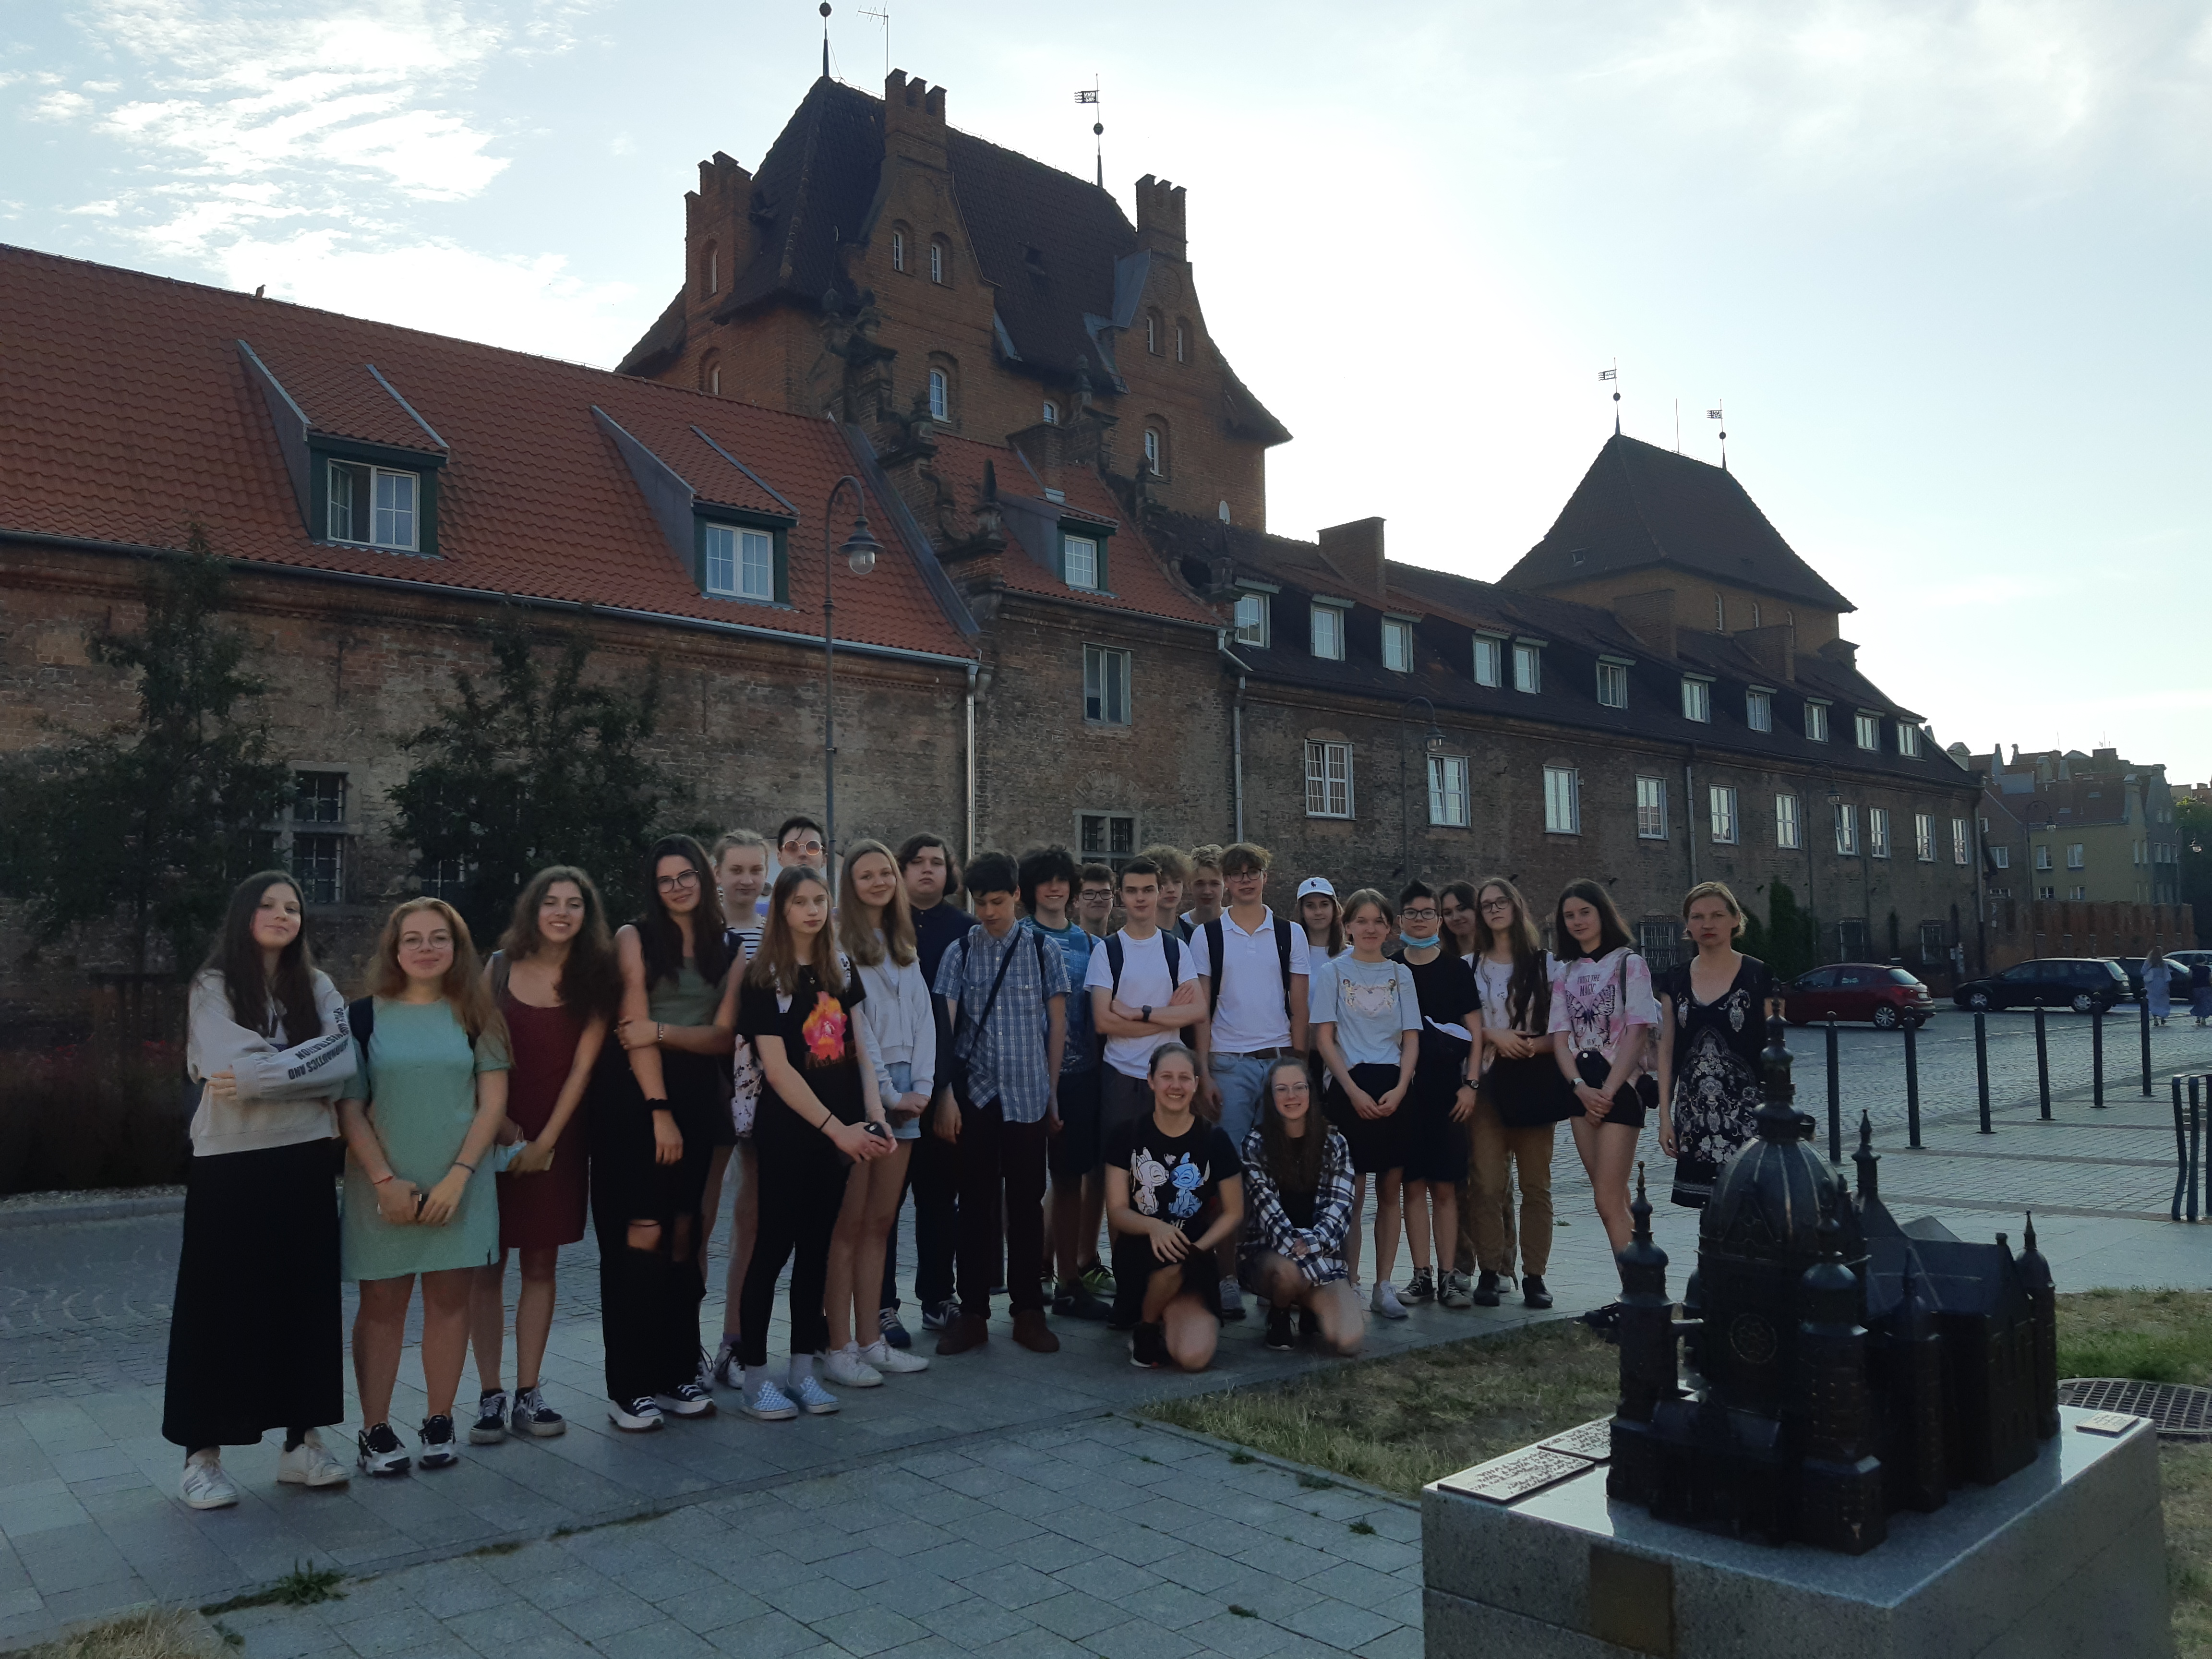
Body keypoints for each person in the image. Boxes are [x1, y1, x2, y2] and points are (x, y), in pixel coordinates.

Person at [168, 872, 356, 1509]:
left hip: (303, 1160)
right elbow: (227, 1063)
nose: (283, 914)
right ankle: (202, 1457)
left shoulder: (320, 986)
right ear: (244, 914)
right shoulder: (213, 988)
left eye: (294, 907)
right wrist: (298, 1066)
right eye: (270, 905)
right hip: (230, 1165)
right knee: (218, 1308)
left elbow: (343, 1059)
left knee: (304, 1306)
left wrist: (260, 1074)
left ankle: (303, 1445)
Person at [337, 899, 511, 1476]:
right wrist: (385, 1181)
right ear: (394, 949)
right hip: (382, 1191)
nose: (426, 948)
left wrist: (460, 1178)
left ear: (457, 949)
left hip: (458, 1186)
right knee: (381, 1309)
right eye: (412, 939)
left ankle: (440, 1419)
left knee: (448, 1304)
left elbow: (493, 1106)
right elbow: (350, 1106)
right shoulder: (362, 1017)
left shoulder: (476, 1014)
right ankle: (375, 1430)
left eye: (439, 938)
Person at [733, 866, 895, 1419]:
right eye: (799, 900)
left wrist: (873, 1116)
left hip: (844, 1136)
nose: (811, 909)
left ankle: (803, 1370)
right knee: (772, 1252)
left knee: (817, 1254)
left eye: (819, 900)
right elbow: (777, 1071)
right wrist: (836, 1129)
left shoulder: (839, 968)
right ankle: (757, 1377)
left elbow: (861, 1047)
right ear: (780, 909)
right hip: (789, 1135)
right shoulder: (762, 978)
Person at [467, 868, 618, 1445]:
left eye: (574, 904)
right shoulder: (500, 966)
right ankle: (489, 1394)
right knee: (486, 1266)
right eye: (551, 902)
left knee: (540, 1265)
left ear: (587, 914)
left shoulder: (595, 976)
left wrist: (547, 1142)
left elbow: (583, 1065)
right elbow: (473, 1043)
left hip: (559, 1135)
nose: (561, 912)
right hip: (494, 1127)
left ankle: (529, 1392)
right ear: (532, 909)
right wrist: (503, 1128)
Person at [599, 836, 739, 1431]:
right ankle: (629, 1385)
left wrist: (662, 1031)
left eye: (686, 876)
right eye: (665, 880)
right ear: (652, 888)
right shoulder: (634, 938)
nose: (678, 887)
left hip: (699, 1098)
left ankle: (678, 1369)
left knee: (686, 1234)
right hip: (637, 1100)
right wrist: (658, 1108)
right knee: (643, 1237)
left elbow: (723, 1037)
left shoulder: (728, 948)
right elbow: (629, 1029)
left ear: (705, 879)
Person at [931, 849, 1070, 1356]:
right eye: (980, 903)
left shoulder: (1041, 949)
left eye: (997, 901)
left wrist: (1052, 1091)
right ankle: (972, 1313)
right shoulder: (960, 952)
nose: (989, 912)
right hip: (978, 1095)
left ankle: (1029, 1310)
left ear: (1016, 895)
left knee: (1028, 1203)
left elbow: (1057, 1026)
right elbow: (944, 1030)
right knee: (974, 1205)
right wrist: (945, 1093)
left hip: (1030, 1094)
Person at [822, 840, 933, 1385]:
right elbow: (856, 1030)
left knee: (881, 1223)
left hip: (911, 1090)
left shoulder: (904, 941)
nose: (878, 882)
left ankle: (872, 1339)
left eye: (884, 872)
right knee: (848, 1224)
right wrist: (888, 1097)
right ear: (850, 883)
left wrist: (925, 1086)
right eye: (865, 875)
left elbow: (925, 1014)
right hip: (863, 1091)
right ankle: (837, 1344)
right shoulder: (839, 943)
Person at [1086, 854, 1211, 1325]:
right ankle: (1128, 1291)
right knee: (1123, 1191)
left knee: (1170, 1185)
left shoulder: (1177, 949)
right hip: (1121, 1078)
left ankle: (1172, 1282)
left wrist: (1137, 1013)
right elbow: (1102, 1019)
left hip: (1168, 1084)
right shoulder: (1108, 951)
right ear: (1122, 897)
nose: (1141, 899)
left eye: (1148, 890)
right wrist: (1163, 1013)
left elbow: (1196, 1012)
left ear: (1161, 893)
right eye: (1132, 891)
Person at [1190, 841, 1310, 1322]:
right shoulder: (1208, 936)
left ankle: (1269, 1273)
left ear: (1265, 877)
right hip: (1229, 1065)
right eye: (1235, 873)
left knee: (1280, 1173)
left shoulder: (1289, 933)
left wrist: (1298, 1066)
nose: (1244, 880)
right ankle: (1226, 1276)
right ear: (1226, 880)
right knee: (1229, 1176)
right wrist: (1203, 1071)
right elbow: (1200, 1011)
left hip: (1279, 1062)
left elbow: (1299, 1004)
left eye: (1252, 871)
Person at [1549, 879, 1659, 1327]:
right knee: (1610, 1198)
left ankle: (1640, 1300)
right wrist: (1578, 1087)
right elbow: (1559, 1039)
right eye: (1570, 916)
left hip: (1620, 1087)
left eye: (1585, 913)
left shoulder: (1629, 964)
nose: (1577, 922)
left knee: (1608, 1197)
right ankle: (1636, 1289)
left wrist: (1609, 1092)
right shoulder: (1565, 971)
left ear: (1602, 914)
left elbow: (1637, 1030)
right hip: (1581, 1091)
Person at [1310, 889, 1420, 1317]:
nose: (1371, 928)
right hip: (1349, 1087)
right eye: (1363, 920)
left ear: (1389, 929)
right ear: (1348, 925)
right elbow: (1324, 1039)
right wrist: (1351, 1091)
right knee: (1351, 1193)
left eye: (1379, 921)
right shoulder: (1334, 973)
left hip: (1393, 1086)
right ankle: (1350, 1281)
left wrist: (1402, 1087)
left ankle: (1384, 1283)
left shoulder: (1400, 975)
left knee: (1389, 1190)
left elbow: (1412, 1038)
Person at [1105, 1044, 1245, 1370]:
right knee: (1166, 1265)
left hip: (1193, 1256)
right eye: (1166, 1077)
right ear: (1151, 1080)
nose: (1176, 1086)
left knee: (1194, 1359)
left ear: (1196, 1083)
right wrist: (1155, 1227)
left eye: (1184, 1078)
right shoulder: (1126, 1135)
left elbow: (1234, 1212)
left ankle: (1169, 1317)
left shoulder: (1215, 1140)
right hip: (1140, 1250)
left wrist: (1197, 1248)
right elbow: (1117, 1210)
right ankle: (1147, 1328)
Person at [1464, 878, 1568, 1312]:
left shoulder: (1548, 966)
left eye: (1501, 901)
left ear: (1516, 905)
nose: (1494, 909)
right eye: (1486, 904)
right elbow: (1459, 1026)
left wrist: (1530, 1044)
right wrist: (1493, 1034)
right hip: (1487, 1082)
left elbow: (1565, 1030)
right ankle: (1490, 1269)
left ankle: (1535, 1275)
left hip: (1533, 1080)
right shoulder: (1469, 966)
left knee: (1535, 1185)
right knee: (1486, 1182)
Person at [1022, 846, 1113, 1321]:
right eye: (1046, 880)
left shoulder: (1089, 945)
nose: (1055, 888)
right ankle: (1026, 1276)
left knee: (1070, 1179)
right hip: (1022, 1076)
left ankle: (1069, 1281)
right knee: (1020, 1183)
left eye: (1062, 880)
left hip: (1078, 1077)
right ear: (1032, 887)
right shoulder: (1017, 937)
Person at [1656, 882, 1779, 1211]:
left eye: (1716, 915)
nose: (1707, 924)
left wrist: (1781, 1115)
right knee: (1708, 1215)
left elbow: (1776, 1049)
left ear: (1735, 920)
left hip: (1750, 1116)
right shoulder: (1675, 979)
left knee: (1753, 1211)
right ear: (1687, 925)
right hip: (1695, 1117)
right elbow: (1667, 1050)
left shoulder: (1757, 975)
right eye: (1697, 917)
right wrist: (1664, 1118)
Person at [1388, 882, 1479, 1311]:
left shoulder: (1456, 970)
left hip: (1448, 1093)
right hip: (1406, 1094)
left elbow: (1477, 1034)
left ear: (1438, 921)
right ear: (1400, 921)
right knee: (1412, 1187)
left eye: (1428, 913)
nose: (1420, 919)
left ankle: (1448, 1277)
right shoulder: (1390, 969)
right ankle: (1421, 1275)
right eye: (1412, 913)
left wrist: (1471, 1084)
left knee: (1445, 1189)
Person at [893, 833, 969, 1338]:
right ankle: (879, 1305)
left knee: (939, 1200)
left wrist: (946, 1090)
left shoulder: (964, 932)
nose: (926, 870)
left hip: (945, 1084)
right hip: (890, 1088)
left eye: (936, 863)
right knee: (882, 1205)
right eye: (916, 862)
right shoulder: (880, 925)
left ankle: (939, 1296)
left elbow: (960, 1021)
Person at [703, 829, 770, 1386]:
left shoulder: (777, 931)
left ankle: (737, 1335)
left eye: (755, 869)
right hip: (712, 1083)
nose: (746, 879)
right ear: (718, 873)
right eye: (737, 869)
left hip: (769, 1086)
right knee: (698, 1220)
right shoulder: (702, 932)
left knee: (752, 1218)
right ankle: (683, 1342)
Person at [1239, 1058, 1362, 1357]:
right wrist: (1318, 1270)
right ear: (1270, 1097)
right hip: (1271, 1256)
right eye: (1281, 1089)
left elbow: (1339, 1212)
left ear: (1311, 1092)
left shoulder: (1336, 1143)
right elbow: (1273, 1222)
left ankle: (1310, 1308)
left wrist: (1317, 1253)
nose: (1291, 1096)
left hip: (1321, 1253)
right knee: (1289, 1275)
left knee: (1349, 1343)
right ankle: (1280, 1315)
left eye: (1299, 1087)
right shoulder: (1254, 1144)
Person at [1140, 844, 1195, 941]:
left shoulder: (1195, 935)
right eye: (1163, 882)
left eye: (1177, 882)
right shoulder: (1135, 937)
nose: (1171, 889)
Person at [1297, 877, 1347, 962]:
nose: (1318, 912)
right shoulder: (1291, 955)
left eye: (1324, 905)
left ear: (1334, 908)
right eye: (1310, 906)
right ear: (1301, 911)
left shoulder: (1352, 955)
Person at [1181, 846, 1226, 933]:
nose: (1207, 891)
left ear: (1226, 885)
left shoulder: (1235, 924)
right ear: (1189, 886)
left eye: (1215, 884)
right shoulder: (1182, 926)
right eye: (1200, 884)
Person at [1076, 862, 1118, 939]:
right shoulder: (1064, 947)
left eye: (1105, 893)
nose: (1098, 899)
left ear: (1113, 898)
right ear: (1076, 901)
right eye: (1089, 894)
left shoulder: (1121, 946)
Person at [2144, 947, 2173, 1027]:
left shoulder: (2148, 962)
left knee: (2153, 1001)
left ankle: (2155, 1019)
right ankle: (2163, 1018)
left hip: (2151, 984)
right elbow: (2167, 975)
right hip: (2162, 983)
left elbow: (2143, 971)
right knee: (2163, 1001)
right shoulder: (2163, 963)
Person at [2192, 955, 2212, 1027]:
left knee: (2198, 1002)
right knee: (2205, 1003)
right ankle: (2204, 1018)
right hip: (2206, 987)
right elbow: (2210, 978)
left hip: (2196, 987)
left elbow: (2189, 976)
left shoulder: (2193, 968)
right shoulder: (2207, 968)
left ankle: (2198, 1017)